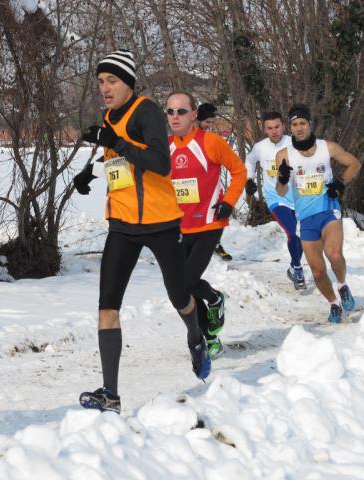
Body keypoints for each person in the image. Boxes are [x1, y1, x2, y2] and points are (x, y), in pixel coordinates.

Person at [73, 50, 210, 414]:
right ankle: (111, 396)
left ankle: (196, 336)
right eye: (101, 81)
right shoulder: (109, 116)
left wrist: (115, 141)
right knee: (107, 307)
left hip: (160, 223)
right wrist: (90, 172)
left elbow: (159, 162)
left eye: (112, 81)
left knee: (179, 296)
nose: (104, 87)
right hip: (122, 226)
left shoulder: (146, 110)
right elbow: (120, 159)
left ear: (128, 83)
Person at [167, 92, 247, 359]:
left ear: (193, 115)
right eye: (170, 112)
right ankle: (209, 333)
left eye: (181, 111)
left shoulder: (210, 142)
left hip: (209, 224)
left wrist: (229, 201)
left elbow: (239, 171)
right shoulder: (165, 147)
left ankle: (213, 302)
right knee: (182, 288)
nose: (175, 116)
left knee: (186, 282)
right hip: (178, 227)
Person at [275, 104, 361, 323]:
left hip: (328, 210)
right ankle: (333, 303)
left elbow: (354, 163)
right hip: (305, 218)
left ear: (310, 124)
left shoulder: (327, 147)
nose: (299, 128)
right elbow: (281, 191)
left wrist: (341, 183)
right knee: (318, 271)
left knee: (334, 254)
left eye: (302, 123)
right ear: (290, 128)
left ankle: (342, 285)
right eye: (294, 124)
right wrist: (283, 179)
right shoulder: (284, 155)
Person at [245, 111, 306, 289]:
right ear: (264, 129)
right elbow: (249, 161)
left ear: (284, 126)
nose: (274, 131)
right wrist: (248, 180)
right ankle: (298, 268)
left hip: (298, 197)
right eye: (270, 128)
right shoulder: (260, 147)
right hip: (276, 199)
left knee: (300, 235)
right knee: (292, 231)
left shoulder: (294, 143)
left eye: (277, 127)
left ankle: (294, 267)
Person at [197, 102, 233, 261]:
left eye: (212, 122)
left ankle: (216, 243)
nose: (209, 126)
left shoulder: (213, 138)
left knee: (219, 210)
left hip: (212, 182)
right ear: (198, 119)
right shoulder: (190, 135)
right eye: (207, 122)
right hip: (193, 183)